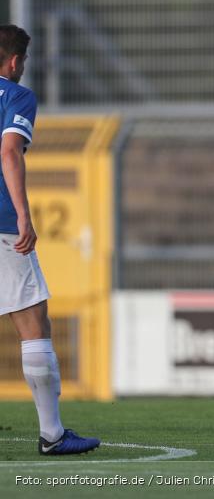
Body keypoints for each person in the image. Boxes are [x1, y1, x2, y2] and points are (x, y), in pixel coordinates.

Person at [0, 25, 101, 455]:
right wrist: (24, 215)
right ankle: (53, 435)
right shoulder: (17, 96)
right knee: (34, 325)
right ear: (15, 61)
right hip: (2, 225)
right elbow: (8, 151)